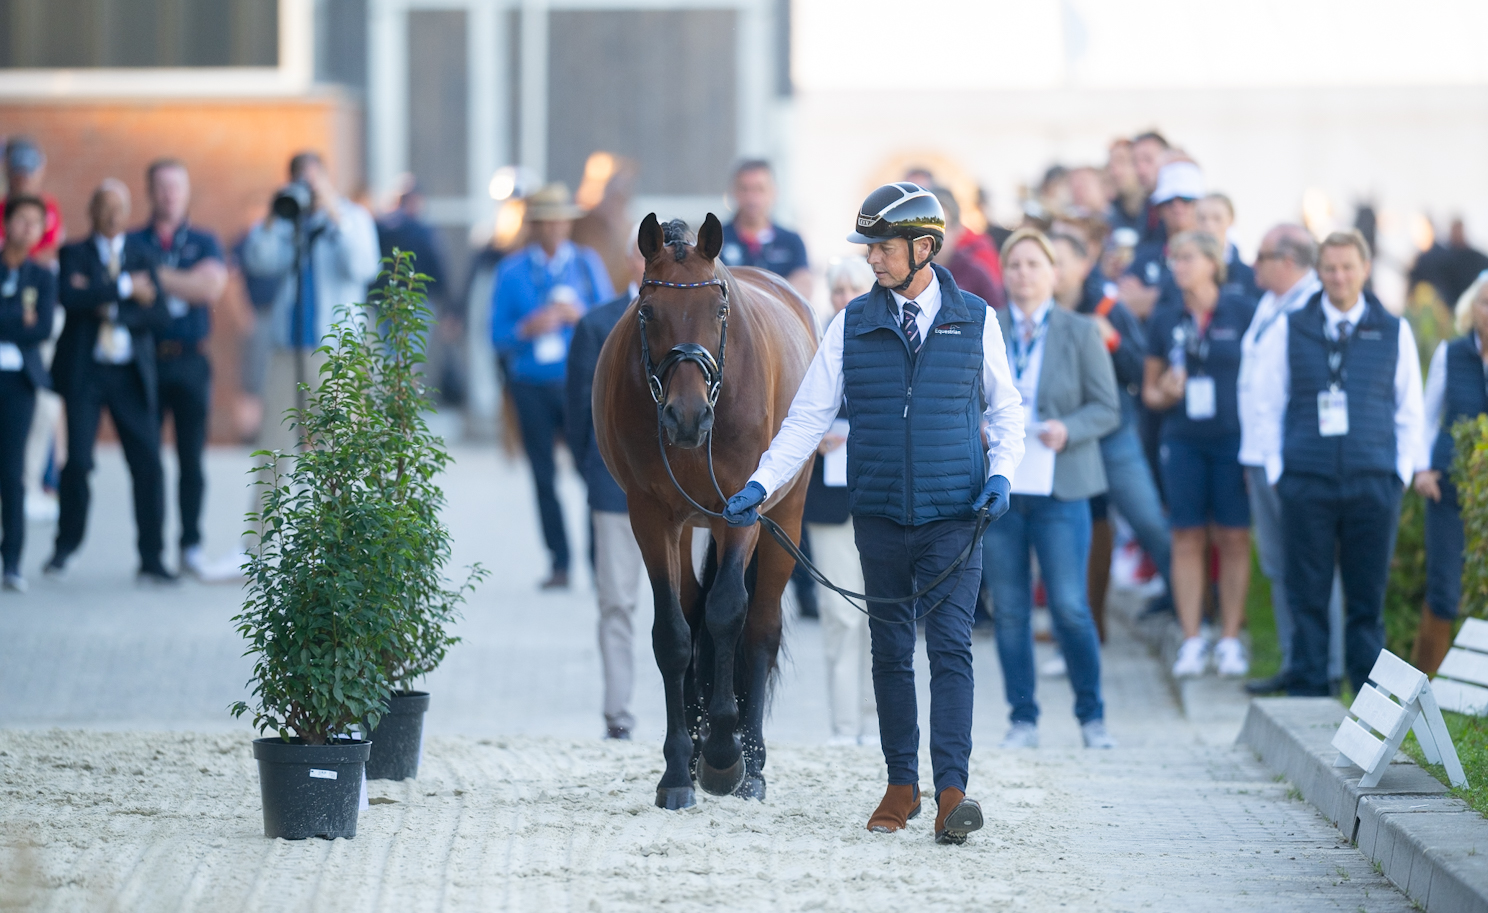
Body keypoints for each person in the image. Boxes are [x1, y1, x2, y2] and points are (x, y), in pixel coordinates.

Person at [721, 183, 1024, 845]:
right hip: (881, 515)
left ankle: (951, 791)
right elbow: (807, 418)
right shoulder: (851, 323)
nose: (872, 259)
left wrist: (1002, 475)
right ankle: (900, 783)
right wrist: (761, 483)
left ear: (923, 247)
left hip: (955, 513)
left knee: (949, 653)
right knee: (888, 652)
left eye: (882, 248)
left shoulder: (977, 318)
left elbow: (1006, 411)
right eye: (869, 248)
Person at [1250, 230, 1424, 696]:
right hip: (1305, 479)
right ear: (1318, 271)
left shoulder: (1393, 328)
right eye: (1329, 268)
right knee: (1307, 593)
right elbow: (1267, 403)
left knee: (1366, 602)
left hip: (1373, 481)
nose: (1338, 277)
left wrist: (1399, 473)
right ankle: (1309, 692)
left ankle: (1368, 704)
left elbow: (1410, 409)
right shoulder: (1293, 326)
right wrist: (1277, 470)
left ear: (1365, 270)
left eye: (1348, 267)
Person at [984, 229, 1120, 749]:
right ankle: (1023, 718)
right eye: (1014, 265)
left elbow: (1107, 407)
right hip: (1003, 489)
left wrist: (1070, 428)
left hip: (1062, 487)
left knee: (1068, 605)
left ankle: (1092, 716)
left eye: (1034, 265)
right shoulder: (985, 327)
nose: (1023, 274)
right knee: (1012, 609)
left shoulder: (1081, 331)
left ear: (1054, 274)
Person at [47, 180, 173, 582]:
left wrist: (111, 309)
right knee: (79, 461)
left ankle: (151, 556)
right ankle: (65, 547)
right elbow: (70, 297)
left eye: (120, 206)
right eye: (104, 205)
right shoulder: (73, 254)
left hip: (128, 373)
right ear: (92, 211)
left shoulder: (142, 254)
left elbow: (159, 314)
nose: (113, 213)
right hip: (86, 372)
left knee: (148, 462)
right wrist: (126, 289)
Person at [1143, 231, 1257, 677]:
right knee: (1186, 535)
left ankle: (1229, 638)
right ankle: (1192, 638)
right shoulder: (1166, 316)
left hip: (1233, 440)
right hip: (1183, 438)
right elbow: (1150, 392)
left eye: (1188, 258)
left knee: (1233, 536)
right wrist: (1164, 392)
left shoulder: (1242, 311)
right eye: (1175, 258)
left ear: (1213, 263)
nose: (1179, 266)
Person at [1237, 226, 1345, 695]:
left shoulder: (1313, 307)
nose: (1252, 264)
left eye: (1261, 256)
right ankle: (1295, 660)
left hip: (1291, 457)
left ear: (1288, 260)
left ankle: (1331, 663)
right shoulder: (1269, 303)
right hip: (1258, 454)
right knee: (1279, 564)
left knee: (1315, 562)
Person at [491, 182, 613, 590]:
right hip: (530, 384)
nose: (554, 229)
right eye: (546, 221)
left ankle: (600, 563)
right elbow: (496, 334)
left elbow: (614, 321)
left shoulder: (585, 264)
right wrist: (528, 327)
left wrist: (579, 315)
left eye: (561, 220)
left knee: (591, 471)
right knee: (543, 477)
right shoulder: (511, 271)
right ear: (535, 226)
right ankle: (559, 564)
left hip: (577, 383)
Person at [1051, 230, 1171, 637]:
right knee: (1076, 529)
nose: (1050, 269)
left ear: (1083, 264)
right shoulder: (1036, 311)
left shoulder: (1106, 306)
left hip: (1113, 434)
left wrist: (1113, 340)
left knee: (1148, 521)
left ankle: (1192, 609)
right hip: (1063, 438)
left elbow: (1141, 371)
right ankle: (1084, 625)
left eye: (1058, 259)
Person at [127, 159, 228, 578]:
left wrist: (157, 277)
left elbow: (211, 288)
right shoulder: (132, 241)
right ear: (150, 191)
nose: (170, 195)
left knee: (191, 457)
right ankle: (150, 553)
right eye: (163, 187)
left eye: (177, 187)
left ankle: (190, 544)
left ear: (187, 192)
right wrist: (185, 279)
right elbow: (127, 289)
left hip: (191, 357)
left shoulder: (205, 240)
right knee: (147, 459)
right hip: (144, 359)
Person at [243, 151, 380, 456]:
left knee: (336, 447)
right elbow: (258, 260)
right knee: (273, 447)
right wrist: (271, 216)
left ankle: (336, 506)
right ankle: (269, 506)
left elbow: (363, 266)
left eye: (314, 181)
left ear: (327, 180)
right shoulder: (287, 223)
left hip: (336, 350)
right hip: (287, 347)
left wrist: (333, 213)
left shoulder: (353, 217)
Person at [565, 225, 645, 740]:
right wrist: (596, 469)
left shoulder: (703, 322)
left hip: (688, 496)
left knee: (692, 604)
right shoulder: (597, 325)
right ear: (629, 261)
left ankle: (696, 711)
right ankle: (618, 713)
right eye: (644, 255)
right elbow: (578, 416)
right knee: (616, 601)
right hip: (616, 489)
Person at [808, 256, 878, 745]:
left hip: (882, 497)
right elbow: (797, 412)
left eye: (854, 287)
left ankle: (877, 723)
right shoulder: (814, 344)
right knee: (839, 614)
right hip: (830, 500)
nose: (844, 297)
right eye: (837, 290)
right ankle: (842, 726)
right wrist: (815, 437)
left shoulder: (892, 339)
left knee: (881, 615)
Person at [1411, 272, 1488, 675]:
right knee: (1444, 589)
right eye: (1485, 302)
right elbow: (1425, 418)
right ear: (1471, 309)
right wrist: (1421, 469)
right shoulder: (1451, 353)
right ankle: (1426, 686)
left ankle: (1474, 693)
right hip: (1448, 487)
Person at [0, 196, 57, 590]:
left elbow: (42, 329)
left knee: (12, 470)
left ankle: (13, 561)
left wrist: (19, 319)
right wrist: (18, 315)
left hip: (19, 382)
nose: (28, 228)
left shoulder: (42, 276)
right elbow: (26, 323)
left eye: (36, 222)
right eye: (22, 219)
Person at [719, 160, 811, 301]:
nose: (752, 198)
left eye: (759, 189)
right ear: (734, 192)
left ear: (774, 192)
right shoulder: (716, 239)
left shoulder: (792, 241)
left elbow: (802, 289)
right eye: (744, 189)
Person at [930, 187, 1004, 310]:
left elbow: (997, 315)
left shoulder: (975, 274)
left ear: (958, 230)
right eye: (929, 227)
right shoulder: (905, 272)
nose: (934, 234)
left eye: (943, 227)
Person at [0, 138, 65, 266]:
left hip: (37, 270)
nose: (24, 182)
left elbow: (53, 248)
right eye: (19, 176)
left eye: (28, 176)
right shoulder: (2, 206)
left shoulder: (49, 206)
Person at [1196, 193, 1259, 303]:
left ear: (1231, 220)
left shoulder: (1247, 275)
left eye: (1217, 219)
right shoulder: (1182, 269)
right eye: (1202, 219)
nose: (1209, 225)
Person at [1130, 131, 1170, 244]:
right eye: (1135, 162)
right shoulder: (1146, 206)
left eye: (1148, 160)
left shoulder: (1180, 206)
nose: (1140, 170)